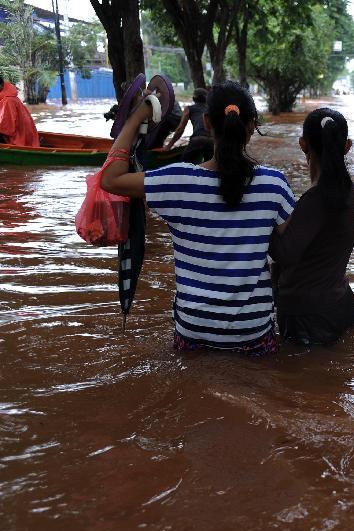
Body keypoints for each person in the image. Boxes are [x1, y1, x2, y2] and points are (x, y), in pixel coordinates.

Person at [101, 81, 296, 356]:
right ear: (251, 126)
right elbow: (295, 247)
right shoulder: (274, 185)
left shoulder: (178, 180)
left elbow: (110, 178)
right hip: (251, 331)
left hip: (194, 329)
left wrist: (138, 116)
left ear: (206, 121)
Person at [268, 108, 354, 345]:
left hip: (308, 317)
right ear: (347, 146)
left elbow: (284, 253)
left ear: (302, 144)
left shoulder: (315, 199)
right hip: (340, 305)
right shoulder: (350, 192)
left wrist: (265, 217)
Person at [163, 87, 214, 163]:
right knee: (210, 169)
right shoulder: (211, 109)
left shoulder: (189, 109)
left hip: (197, 139)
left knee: (184, 166)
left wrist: (169, 146)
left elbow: (180, 129)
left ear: (194, 98)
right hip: (212, 141)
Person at [0, 75, 40, 147]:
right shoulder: (10, 97)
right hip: (25, 137)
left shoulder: (8, 101)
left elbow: (7, 129)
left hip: (19, 140)